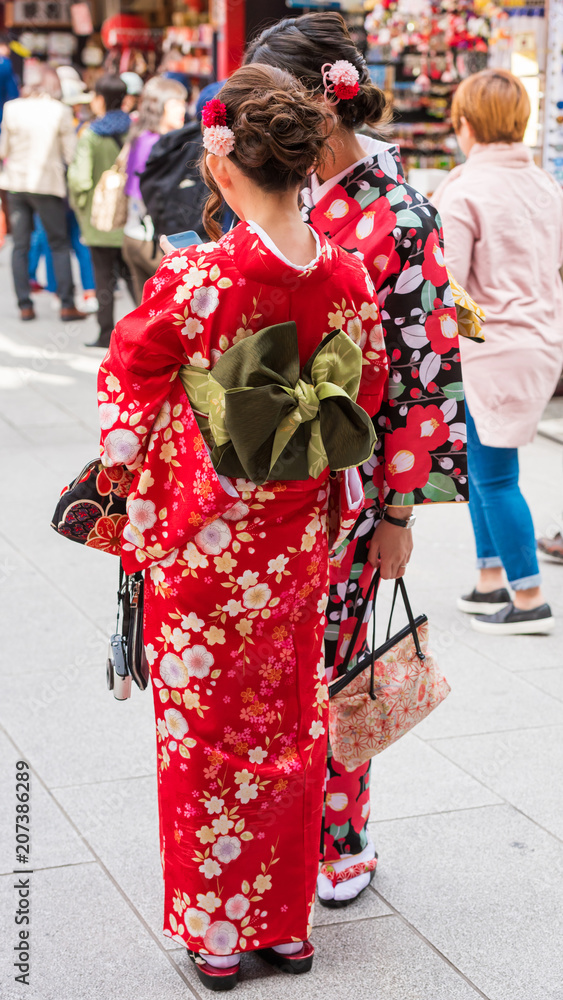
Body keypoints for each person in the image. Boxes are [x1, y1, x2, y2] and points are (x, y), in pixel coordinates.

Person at [97, 63, 388, 990]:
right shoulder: (348, 277)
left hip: (201, 537)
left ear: (220, 169)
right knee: (288, 724)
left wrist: (125, 457)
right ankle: (285, 926)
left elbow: (130, 384)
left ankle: (220, 934)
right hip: (297, 534)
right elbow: (364, 393)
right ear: (304, 166)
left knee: (203, 732)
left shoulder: (196, 275)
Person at [245, 11, 469, 907]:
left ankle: (336, 837)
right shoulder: (279, 190)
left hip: (345, 487)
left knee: (333, 666)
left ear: (320, 104)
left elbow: (426, 373)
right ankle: (273, 831)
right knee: (266, 668)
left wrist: (399, 514)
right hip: (259, 483)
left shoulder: (400, 214)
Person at [433, 69, 563, 635]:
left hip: (490, 346)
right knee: (484, 469)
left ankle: (529, 597)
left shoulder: (466, 189)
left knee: (496, 478)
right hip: (538, 340)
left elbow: (449, 286)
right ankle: (489, 582)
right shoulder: (543, 183)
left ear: (466, 124)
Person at [0, 64, 86, 322]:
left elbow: (3, 150)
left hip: (16, 184)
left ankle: (25, 305)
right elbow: (71, 153)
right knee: (58, 243)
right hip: (47, 185)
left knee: (21, 245)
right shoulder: (60, 111)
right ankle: (67, 305)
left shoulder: (12, 108)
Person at [68, 74, 134, 348]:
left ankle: (106, 333)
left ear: (99, 99)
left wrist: (82, 210)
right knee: (135, 278)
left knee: (104, 278)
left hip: (100, 220)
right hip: (131, 219)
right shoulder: (135, 130)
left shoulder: (91, 136)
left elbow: (80, 180)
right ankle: (157, 330)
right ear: (126, 99)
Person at [122, 76, 187, 305]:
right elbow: (151, 196)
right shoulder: (157, 146)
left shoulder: (140, 137)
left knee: (147, 315)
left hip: (134, 236)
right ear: (160, 106)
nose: (183, 109)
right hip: (152, 242)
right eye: (177, 103)